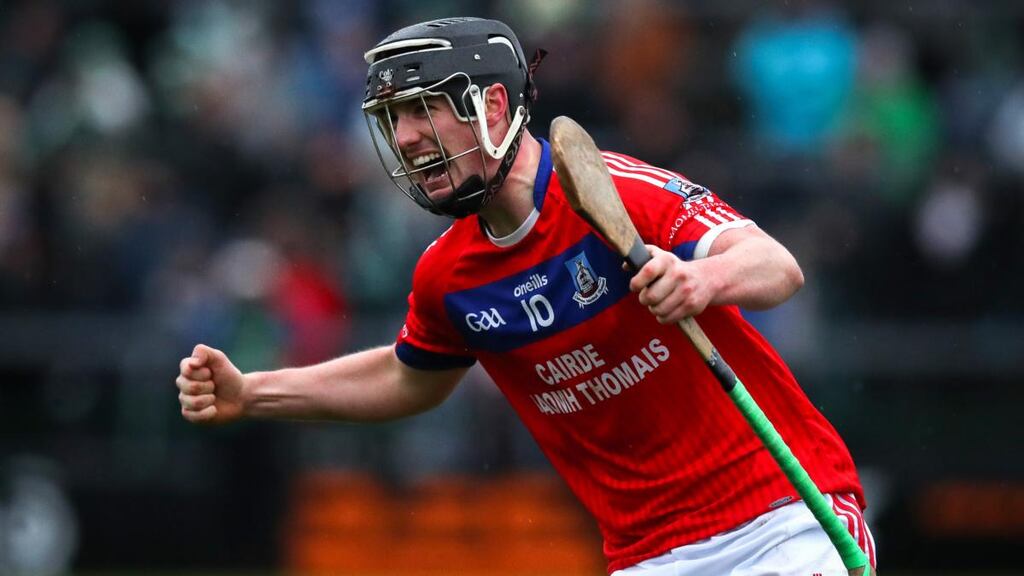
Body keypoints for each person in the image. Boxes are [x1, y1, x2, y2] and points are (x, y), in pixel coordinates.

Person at [176, 17, 877, 576]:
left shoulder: (617, 195)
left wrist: (702, 279)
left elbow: (775, 266)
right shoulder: (447, 274)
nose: (407, 138)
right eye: (393, 119)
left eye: (423, 110)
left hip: (784, 520)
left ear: (494, 105)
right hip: (649, 556)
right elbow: (407, 377)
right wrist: (253, 393)